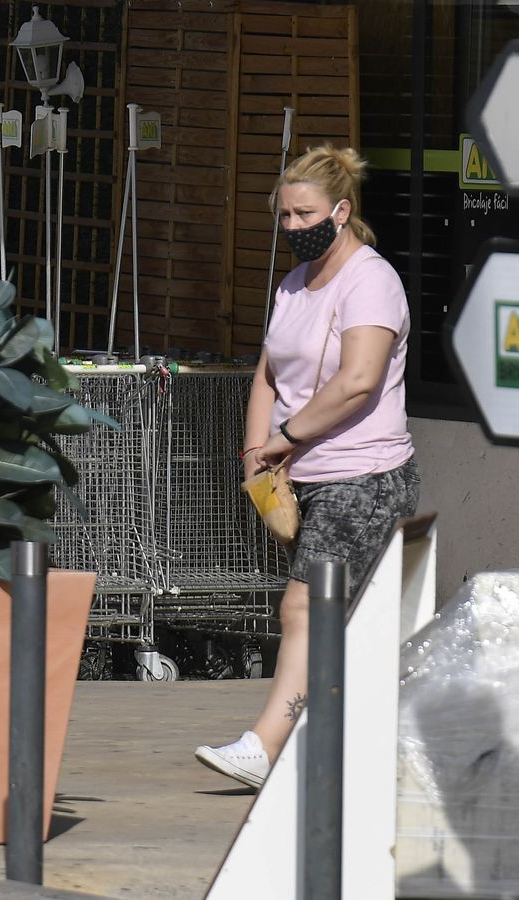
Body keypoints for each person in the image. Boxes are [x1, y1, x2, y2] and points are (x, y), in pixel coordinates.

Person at [194, 145, 419, 789]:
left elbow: (357, 381)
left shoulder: (370, 280)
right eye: (284, 216)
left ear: (342, 211)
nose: (293, 228)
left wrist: (286, 437)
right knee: (342, 623)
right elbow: (268, 371)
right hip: (303, 476)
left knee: (305, 610)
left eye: (305, 214)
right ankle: (359, 750)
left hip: (364, 478)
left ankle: (264, 747)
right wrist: (255, 452)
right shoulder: (294, 284)